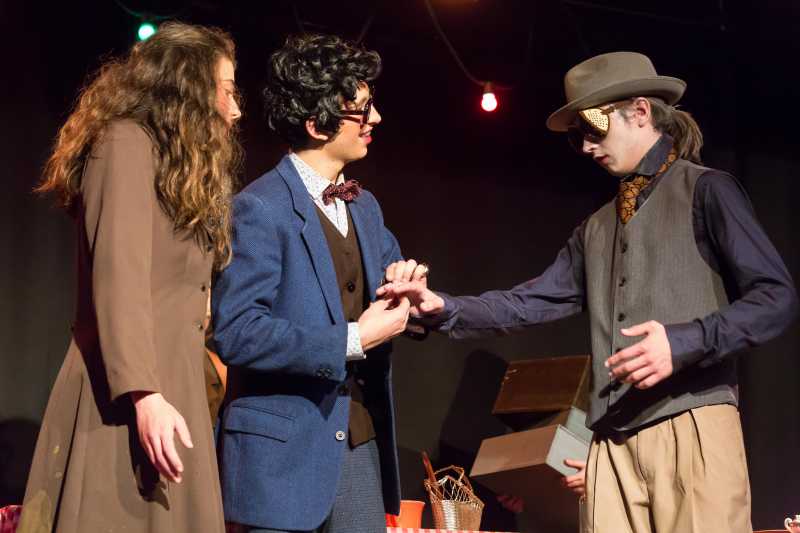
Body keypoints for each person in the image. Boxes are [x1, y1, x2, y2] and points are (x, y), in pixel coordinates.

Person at [378, 51, 798, 533]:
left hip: (691, 422)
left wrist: (683, 341)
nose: (585, 146)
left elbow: (775, 297)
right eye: (576, 136)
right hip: (611, 442)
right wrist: (443, 307)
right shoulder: (595, 228)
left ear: (640, 112)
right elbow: (529, 302)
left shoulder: (707, 191)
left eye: (594, 129)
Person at [18, 22, 242, 533]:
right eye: (227, 91)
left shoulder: (172, 167)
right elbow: (118, 278)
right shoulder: (124, 143)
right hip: (125, 391)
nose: (235, 110)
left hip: (174, 384)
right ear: (187, 88)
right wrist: (145, 395)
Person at [211, 34, 427, 533]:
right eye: (362, 110)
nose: (376, 119)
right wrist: (354, 338)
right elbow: (237, 332)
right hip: (279, 460)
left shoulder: (364, 207)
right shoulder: (259, 209)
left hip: (356, 444)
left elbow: (395, 295)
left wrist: (410, 290)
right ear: (316, 123)